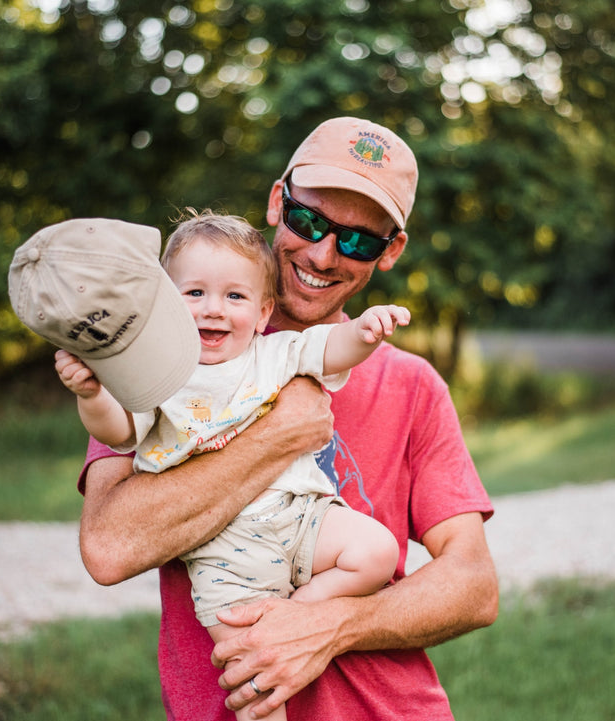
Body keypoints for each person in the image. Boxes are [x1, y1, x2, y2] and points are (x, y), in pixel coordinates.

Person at [76, 117, 499, 720]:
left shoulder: (412, 385)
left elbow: (474, 586)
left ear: (390, 251)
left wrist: (327, 625)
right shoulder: (168, 365)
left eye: (358, 240)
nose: (324, 254)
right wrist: (275, 439)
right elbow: (110, 548)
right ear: (279, 202)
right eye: (309, 221)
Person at [54, 209, 407, 721]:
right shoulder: (156, 377)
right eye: (194, 294)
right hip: (223, 556)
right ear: (165, 308)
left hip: (301, 517)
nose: (213, 310)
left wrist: (367, 332)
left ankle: (295, 614)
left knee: (377, 551)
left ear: (264, 312)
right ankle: (271, 635)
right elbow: (119, 430)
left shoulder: (273, 352)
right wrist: (91, 394)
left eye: (234, 297)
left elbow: (332, 349)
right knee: (257, 685)